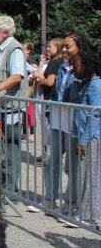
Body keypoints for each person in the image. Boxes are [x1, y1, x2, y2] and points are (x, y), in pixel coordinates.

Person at [0, 16, 28, 193]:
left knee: (10, 149)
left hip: (10, 109)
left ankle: (11, 190)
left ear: (6, 32)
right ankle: (1, 186)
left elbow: (17, 76)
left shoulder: (14, 49)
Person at [46, 33, 89, 209]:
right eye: (63, 46)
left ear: (80, 47)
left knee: (72, 166)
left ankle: (71, 202)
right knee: (51, 161)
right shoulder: (62, 67)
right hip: (57, 121)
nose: (64, 50)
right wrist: (49, 111)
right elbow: (56, 93)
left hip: (73, 123)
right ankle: (50, 199)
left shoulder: (84, 69)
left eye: (68, 47)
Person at [69, 50, 101, 228]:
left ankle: (89, 213)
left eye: (76, 66)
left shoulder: (96, 86)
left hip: (92, 137)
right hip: (82, 134)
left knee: (91, 176)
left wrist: (85, 141)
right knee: (83, 174)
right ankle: (83, 209)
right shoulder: (84, 84)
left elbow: (94, 115)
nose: (73, 69)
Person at [33, 38, 63, 158]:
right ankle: (49, 152)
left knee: (48, 126)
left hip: (49, 97)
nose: (47, 48)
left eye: (50, 46)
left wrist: (41, 78)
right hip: (49, 97)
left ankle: (50, 154)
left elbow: (50, 82)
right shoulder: (58, 62)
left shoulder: (55, 63)